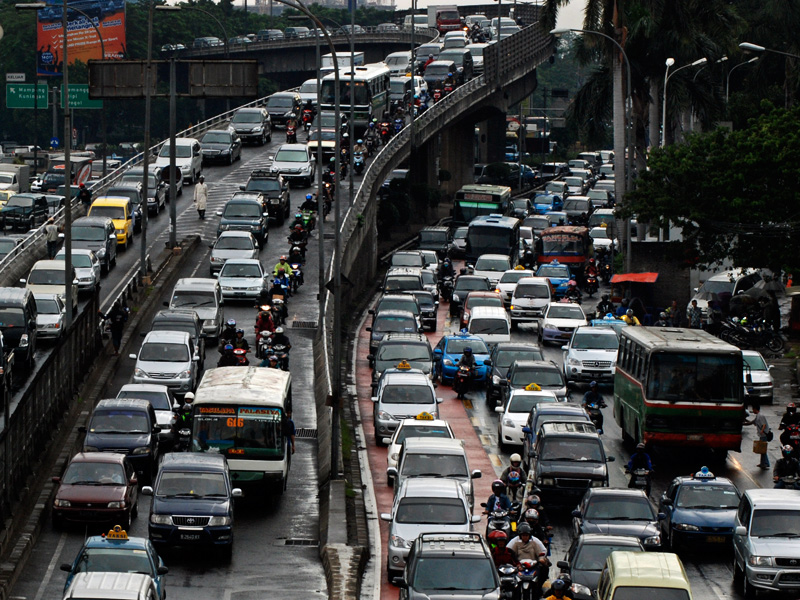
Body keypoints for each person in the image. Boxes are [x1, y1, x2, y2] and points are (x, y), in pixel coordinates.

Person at [746, 403, 771, 469]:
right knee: (761, 450)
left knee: (763, 450)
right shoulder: (757, 416)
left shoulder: (761, 416)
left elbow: (764, 424)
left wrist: (762, 430)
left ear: (755, 409)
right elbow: (752, 422)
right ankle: (763, 463)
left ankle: (765, 463)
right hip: (761, 435)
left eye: (753, 409)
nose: (752, 411)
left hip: (763, 435)